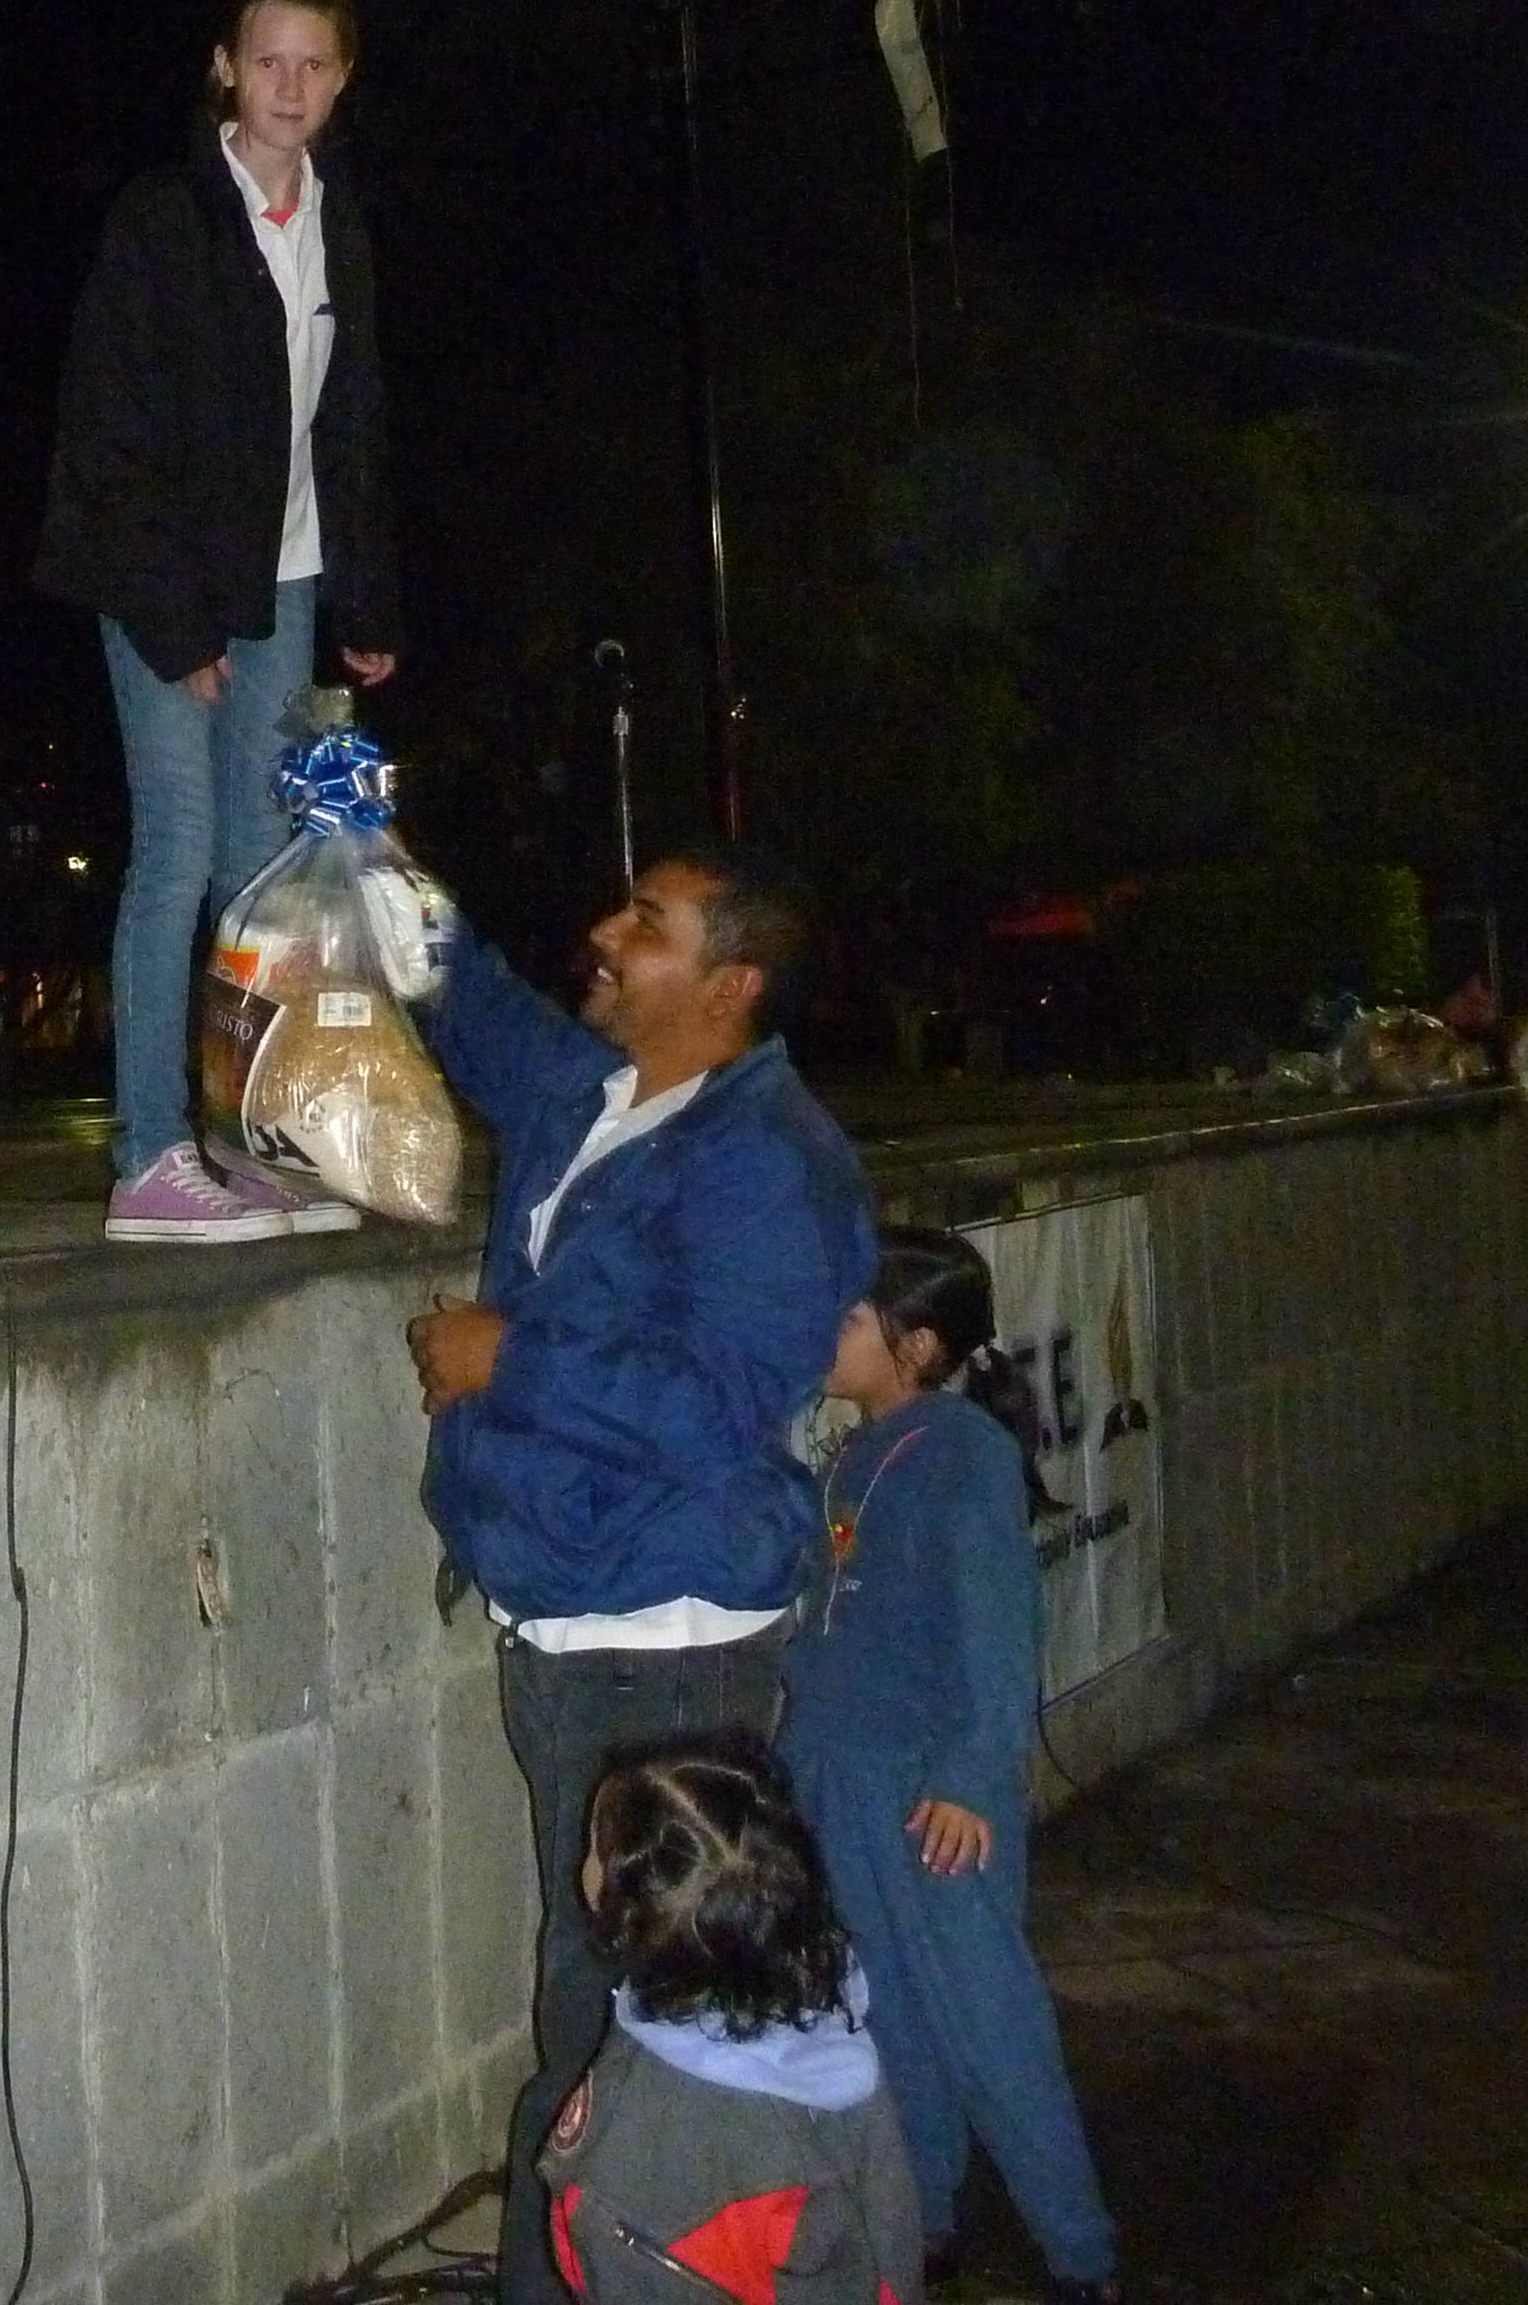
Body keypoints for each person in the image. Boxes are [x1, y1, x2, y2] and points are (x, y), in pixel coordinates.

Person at [404, 841, 877, 2305]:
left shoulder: (770, 1162)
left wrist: (509, 1360)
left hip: (664, 1634)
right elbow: (467, 998)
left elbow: (727, 1408)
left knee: (613, 2003)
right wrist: (359, 847)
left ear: (729, 985)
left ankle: (613, 2267)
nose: (605, 932)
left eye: (647, 924)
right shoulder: (597, 1093)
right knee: (602, 1980)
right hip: (573, 1606)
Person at [33, 0, 403, 1244]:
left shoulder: (336, 220)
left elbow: (350, 421)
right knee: (179, 849)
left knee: (262, 869)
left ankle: (243, 1143)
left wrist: (366, 599)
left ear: (341, 80)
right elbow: (107, 431)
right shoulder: (164, 219)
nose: (288, 87)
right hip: (163, 580)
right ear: (225, 70)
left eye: (313, 64)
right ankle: (146, 1153)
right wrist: (176, 626)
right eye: (267, 62)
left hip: (282, 577)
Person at [778, 1229, 1121, 2305]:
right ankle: (923, 2214)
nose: (825, 1330)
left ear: (916, 1346)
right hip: (842, 1781)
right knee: (886, 2011)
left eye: (848, 1317)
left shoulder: (961, 1454)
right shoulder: (856, 1452)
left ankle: (1080, 2251)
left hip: (929, 1796)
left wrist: (971, 1777)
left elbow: (996, 1629)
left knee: (986, 2021)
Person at [536, 1732, 929, 2305]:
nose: (584, 1863)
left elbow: (603, 2244)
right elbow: (889, 2245)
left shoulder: (642, 2144)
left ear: (636, 1910)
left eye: (595, 1850)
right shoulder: (829, 2029)